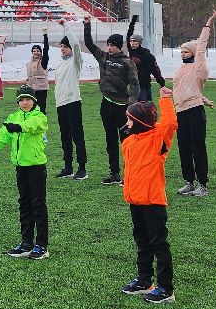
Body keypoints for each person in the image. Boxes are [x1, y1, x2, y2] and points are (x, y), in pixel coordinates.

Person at [118, 88, 179, 304]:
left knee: (158, 244)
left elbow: (170, 124)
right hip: (135, 200)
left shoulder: (158, 139)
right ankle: (144, 280)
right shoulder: (129, 142)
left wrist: (165, 99)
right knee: (142, 242)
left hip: (153, 202)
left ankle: (165, 289)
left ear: (139, 122)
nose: (126, 123)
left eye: (129, 119)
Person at [0, 85, 51, 260]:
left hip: (36, 166)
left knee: (38, 204)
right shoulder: (13, 118)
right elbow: (2, 137)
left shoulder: (40, 117)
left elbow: (32, 126)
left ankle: (42, 245)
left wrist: (19, 127)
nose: (25, 103)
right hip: (20, 167)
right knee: (24, 204)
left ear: (34, 101)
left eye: (28, 99)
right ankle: (26, 243)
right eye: (21, 100)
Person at [84, 16, 137, 185]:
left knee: (126, 141)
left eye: (112, 45)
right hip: (106, 104)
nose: (109, 47)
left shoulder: (128, 62)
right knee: (110, 140)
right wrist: (87, 25)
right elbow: (89, 44)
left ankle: (129, 174)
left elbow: (135, 85)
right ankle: (114, 173)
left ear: (119, 46)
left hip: (122, 106)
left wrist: (131, 107)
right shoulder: (103, 57)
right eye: (108, 44)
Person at [171, 11, 216, 197]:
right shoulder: (181, 68)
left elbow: (201, 46)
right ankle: (189, 181)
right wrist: (204, 99)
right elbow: (187, 89)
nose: (183, 54)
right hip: (180, 111)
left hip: (195, 112)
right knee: (184, 147)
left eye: (186, 51)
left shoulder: (198, 67)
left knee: (198, 148)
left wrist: (208, 23)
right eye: (181, 51)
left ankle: (202, 184)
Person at [52, 34, 88, 180]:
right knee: (65, 136)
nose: (62, 49)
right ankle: (68, 168)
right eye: (61, 46)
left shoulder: (76, 61)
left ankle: (82, 168)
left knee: (77, 136)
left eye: (65, 46)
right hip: (60, 103)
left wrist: (66, 26)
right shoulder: (59, 64)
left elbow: (76, 45)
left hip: (73, 102)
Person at [127, 19, 165, 102]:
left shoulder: (146, 55)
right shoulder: (131, 53)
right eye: (131, 41)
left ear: (139, 42)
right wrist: (132, 23)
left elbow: (155, 70)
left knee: (144, 107)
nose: (132, 43)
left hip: (143, 86)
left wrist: (161, 83)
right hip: (133, 86)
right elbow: (128, 35)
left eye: (135, 41)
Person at [26, 33, 51, 112]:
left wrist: (45, 35)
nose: (36, 52)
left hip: (41, 90)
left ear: (40, 52)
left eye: (38, 51)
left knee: (41, 110)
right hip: (31, 89)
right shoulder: (28, 63)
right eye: (34, 51)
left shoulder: (43, 62)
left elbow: (46, 49)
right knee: (31, 109)